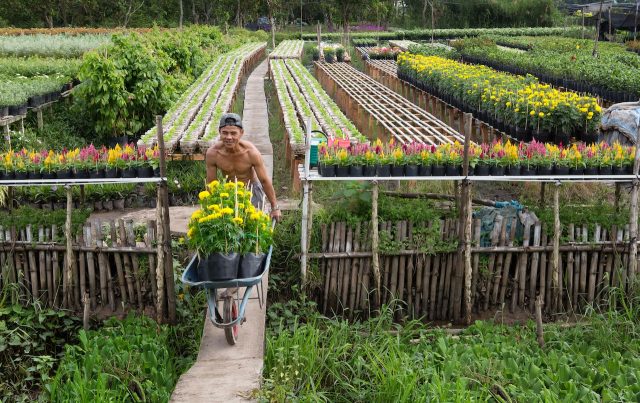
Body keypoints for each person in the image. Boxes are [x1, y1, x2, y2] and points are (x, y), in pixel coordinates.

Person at [205, 113, 282, 221]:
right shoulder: (213, 154)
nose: (229, 137)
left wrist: (275, 207)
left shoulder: (251, 152)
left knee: (254, 224)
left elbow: (264, 180)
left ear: (241, 133)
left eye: (233, 133)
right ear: (219, 132)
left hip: (251, 191)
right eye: (225, 133)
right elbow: (211, 183)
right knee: (230, 226)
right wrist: (211, 207)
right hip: (229, 192)